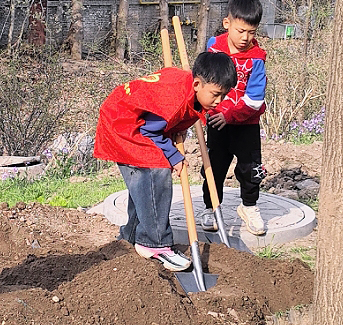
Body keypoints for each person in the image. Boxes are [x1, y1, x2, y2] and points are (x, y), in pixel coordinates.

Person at [94, 51, 236, 271]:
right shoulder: (174, 100)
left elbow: (159, 119)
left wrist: (176, 127)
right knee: (156, 170)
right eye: (216, 94)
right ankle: (154, 243)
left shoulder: (187, 87)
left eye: (223, 96)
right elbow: (149, 130)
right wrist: (173, 155)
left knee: (144, 186)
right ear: (197, 84)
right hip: (123, 124)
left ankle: (129, 237)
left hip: (128, 116)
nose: (219, 101)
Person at [200, 0, 269, 236]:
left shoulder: (256, 59)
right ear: (227, 23)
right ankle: (211, 207)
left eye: (251, 32)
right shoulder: (213, 48)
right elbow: (203, 80)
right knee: (214, 166)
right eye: (240, 31)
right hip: (216, 122)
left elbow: (254, 99)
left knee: (251, 167)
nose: (245, 38)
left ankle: (249, 206)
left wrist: (229, 115)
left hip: (246, 123)